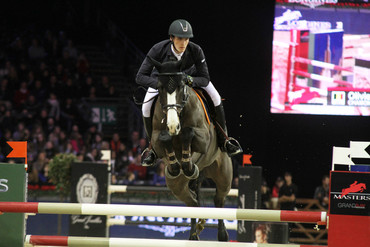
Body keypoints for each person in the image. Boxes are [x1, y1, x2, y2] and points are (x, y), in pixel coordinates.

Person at [136, 19, 243, 166]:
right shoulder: (158, 49)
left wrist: (189, 80)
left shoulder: (196, 50)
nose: (184, 43)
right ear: (171, 38)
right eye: (180, 38)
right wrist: (162, 85)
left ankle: (224, 139)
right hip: (162, 82)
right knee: (145, 107)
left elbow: (205, 79)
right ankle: (152, 148)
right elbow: (140, 77)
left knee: (216, 97)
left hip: (188, 80)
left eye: (186, 39)